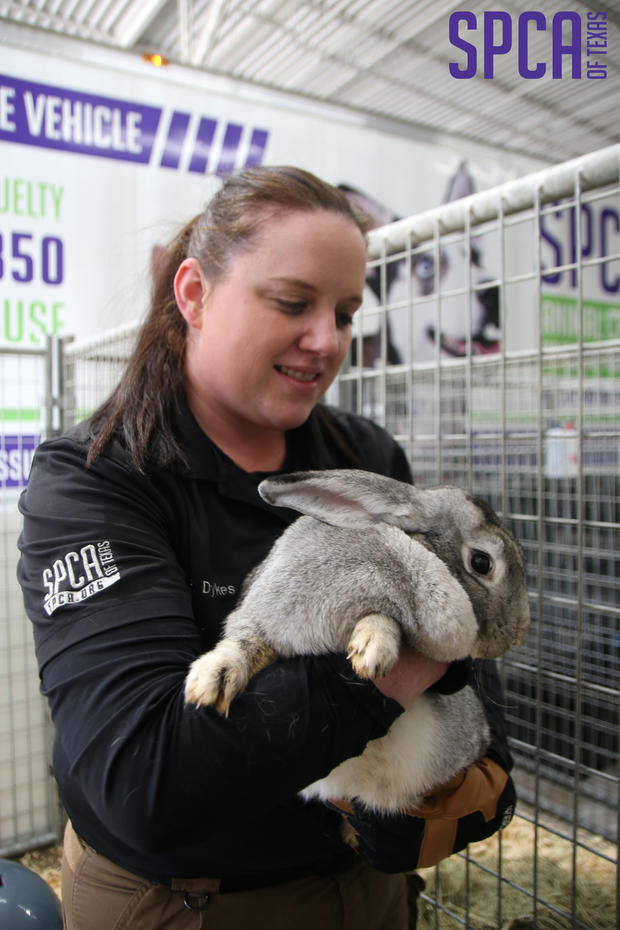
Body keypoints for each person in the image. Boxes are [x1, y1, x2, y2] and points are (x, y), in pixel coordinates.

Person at [17, 166, 516, 930]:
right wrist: (403, 669)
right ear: (195, 295)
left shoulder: (366, 454)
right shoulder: (96, 481)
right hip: (189, 901)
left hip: (364, 887)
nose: (326, 340)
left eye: (347, 313)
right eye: (292, 303)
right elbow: (143, 782)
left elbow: (463, 635)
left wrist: (481, 768)